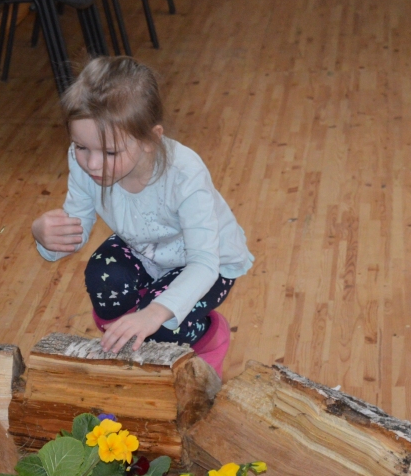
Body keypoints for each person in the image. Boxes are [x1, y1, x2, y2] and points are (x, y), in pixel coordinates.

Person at [31, 57, 254, 376]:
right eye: (81, 147)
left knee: (160, 326)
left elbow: (204, 263)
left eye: (109, 153)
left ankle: (208, 337)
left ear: (150, 140)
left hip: (211, 266)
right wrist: (45, 238)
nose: (93, 164)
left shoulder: (184, 175)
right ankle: (133, 347)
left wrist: (154, 313)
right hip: (146, 253)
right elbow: (73, 232)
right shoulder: (84, 159)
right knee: (103, 277)